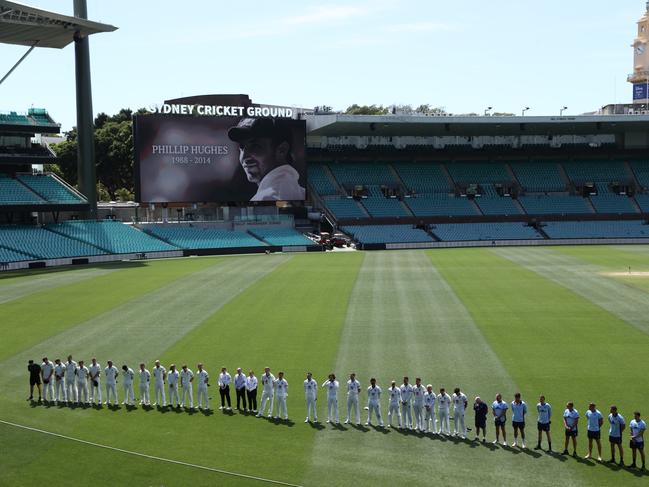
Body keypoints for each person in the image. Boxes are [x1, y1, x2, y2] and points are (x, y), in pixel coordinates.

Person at [228, 117, 305, 202]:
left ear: (282, 150)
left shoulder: (266, 198)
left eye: (255, 146)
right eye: (242, 147)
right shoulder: (302, 192)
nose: (244, 157)